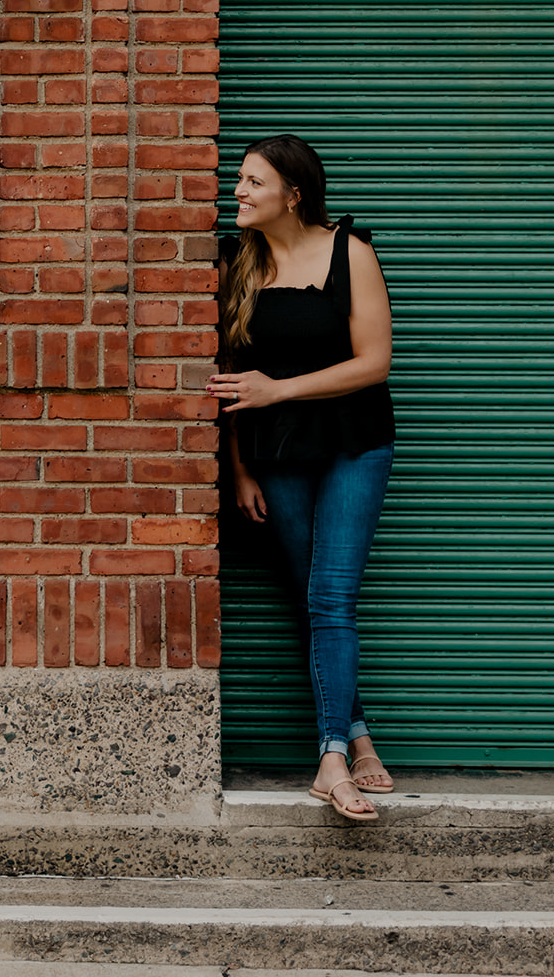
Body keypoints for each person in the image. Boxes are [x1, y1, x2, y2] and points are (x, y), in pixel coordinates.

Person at [207, 135, 395, 822]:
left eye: (253, 182)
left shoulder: (350, 252)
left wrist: (277, 392)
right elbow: (231, 381)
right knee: (314, 600)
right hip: (274, 457)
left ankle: (330, 760)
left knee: (330, 598)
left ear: (293, 192)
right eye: (239, 180)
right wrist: (239, 469)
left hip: (353, 445)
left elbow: (373, 362)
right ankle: (359, 734)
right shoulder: (236, 263)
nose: (238, 192)